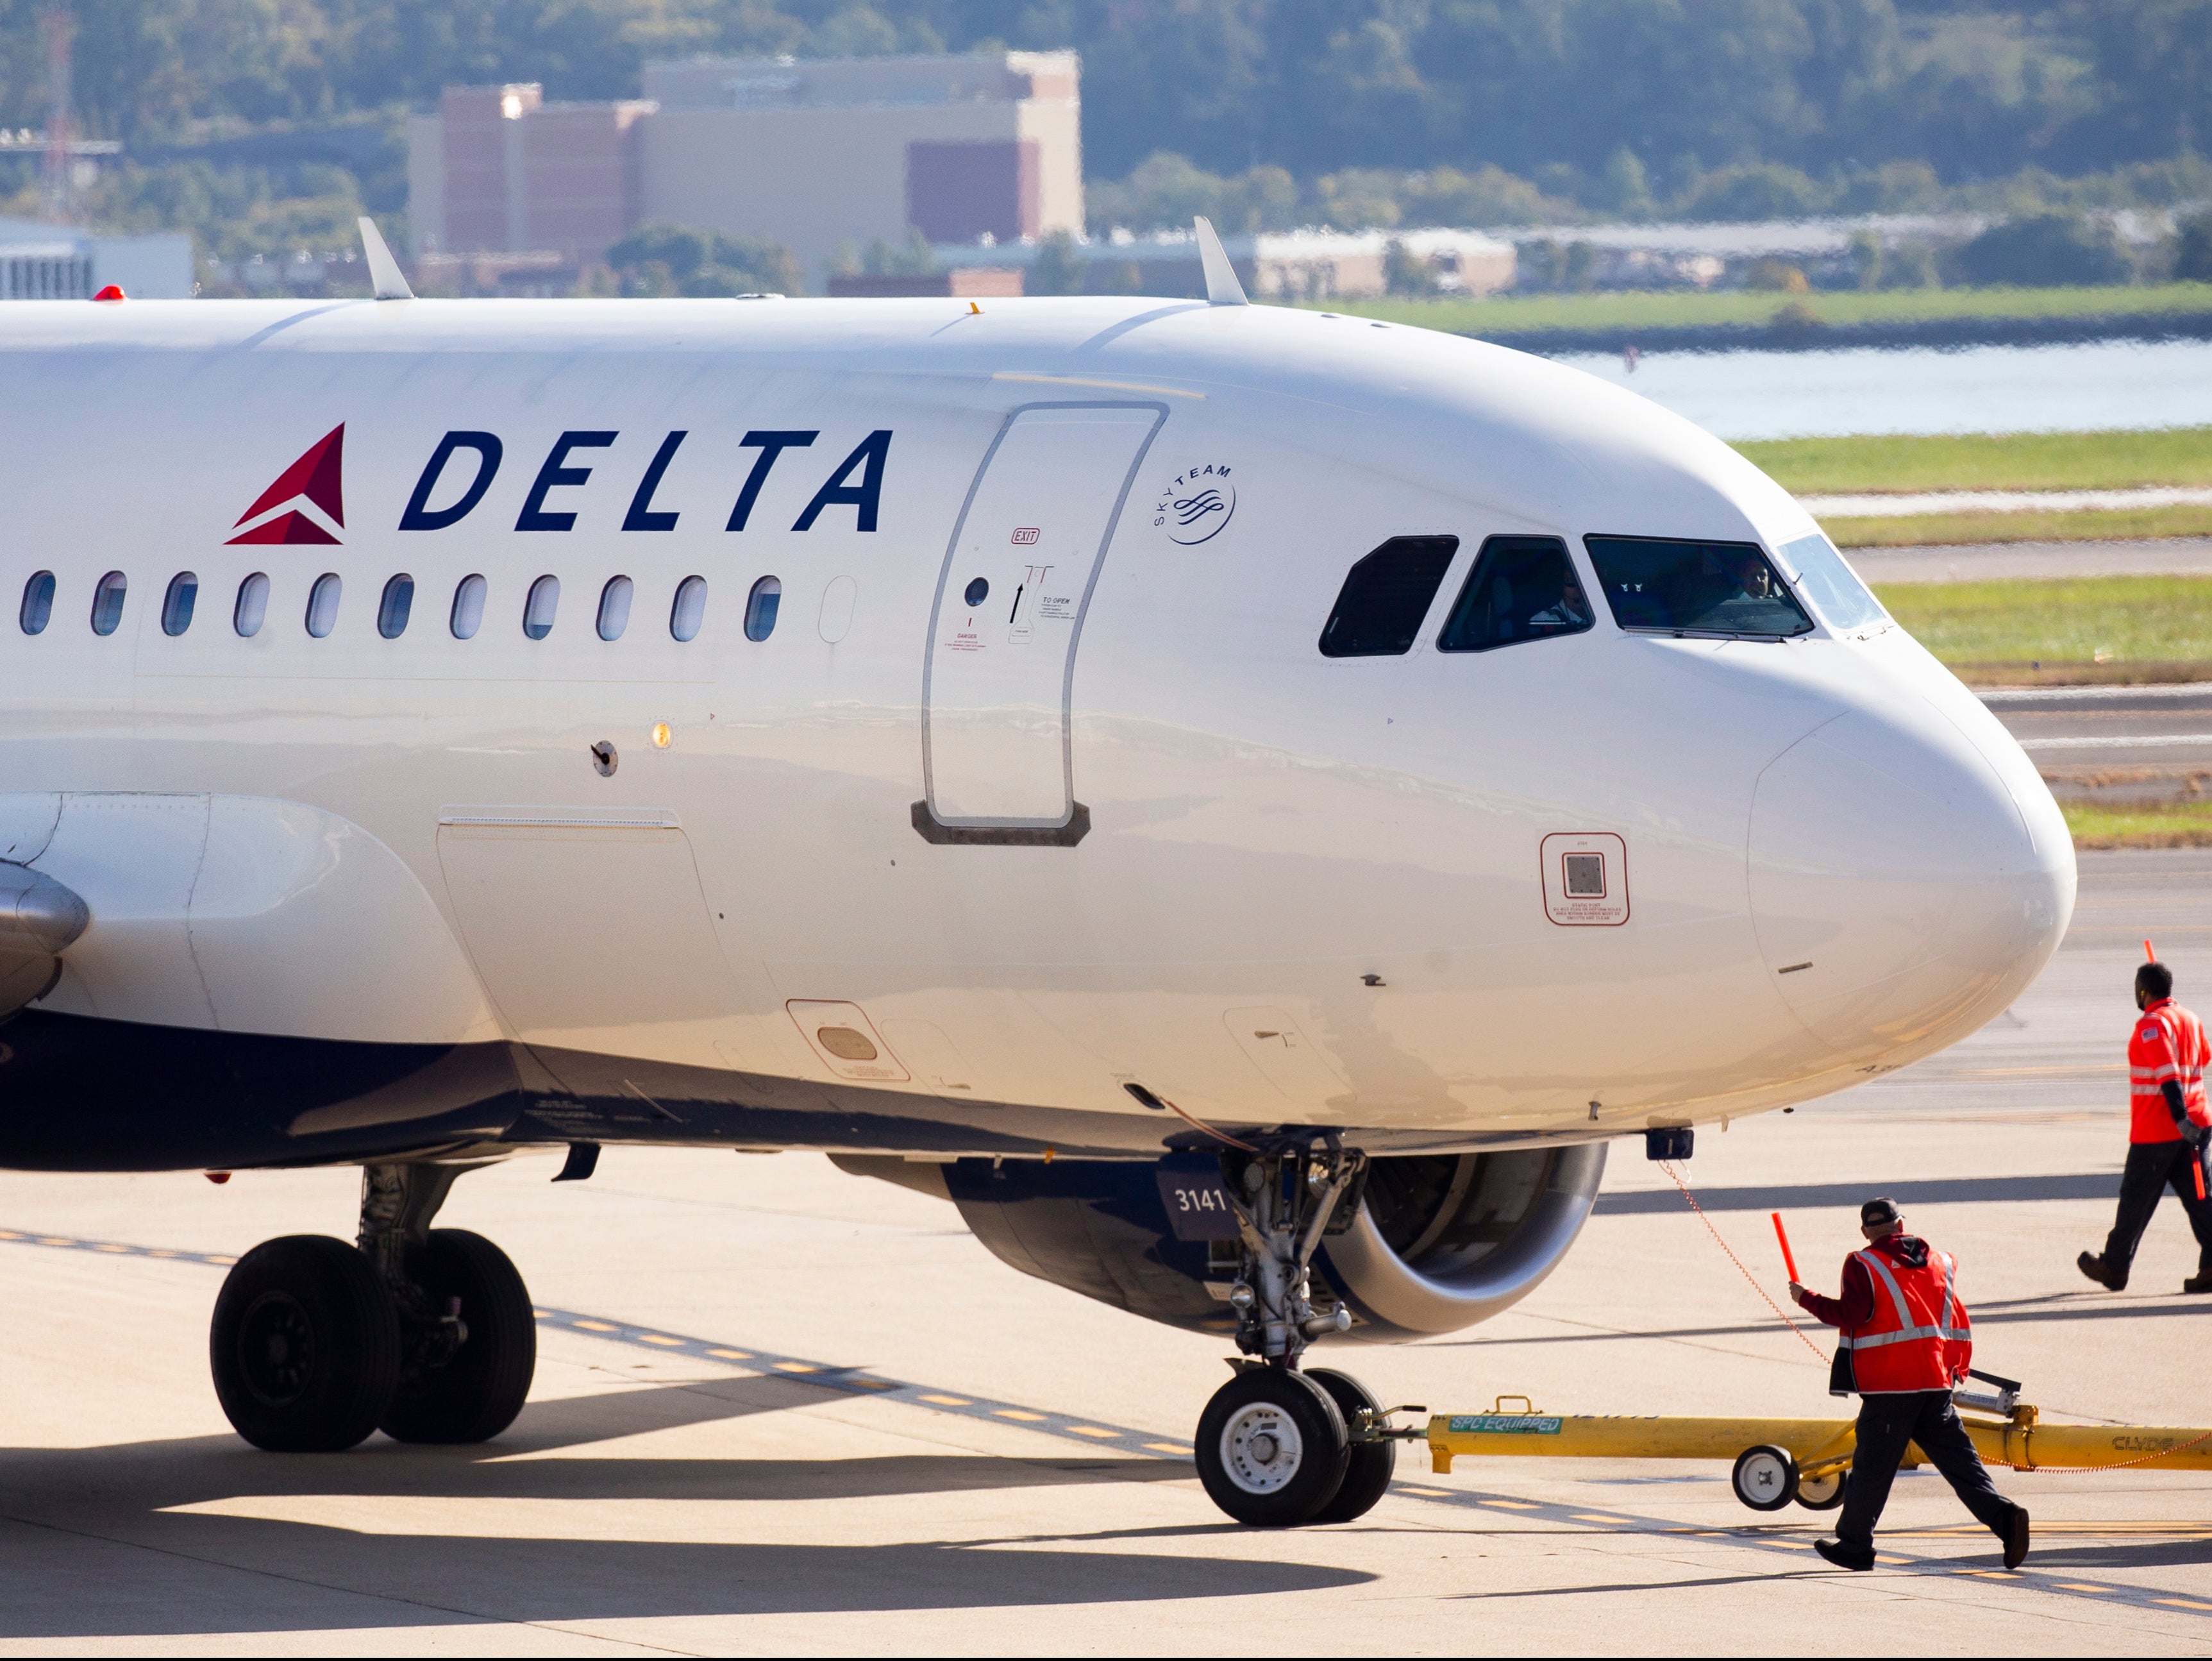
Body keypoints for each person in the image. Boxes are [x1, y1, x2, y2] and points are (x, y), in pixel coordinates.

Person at [1789, 1197, 2029, 1572]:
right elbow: (1955, 1319)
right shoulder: (1940, 1261)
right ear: (1902, 1225)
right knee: (1961, 1465)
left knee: (1872, 1468)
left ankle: (1854, 1545)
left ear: (1866, 1231)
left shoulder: (1863, 1262)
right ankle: (2005, 1518)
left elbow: (1853, 1314)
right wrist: (1954, 1369)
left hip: (1891, 1386)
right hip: (1935, 1382)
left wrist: (1807, 1299)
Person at [2079, 959, 2212, 1293]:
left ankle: (2114, 1266)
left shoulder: (2151, 1024)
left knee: (2136, 1200)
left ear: (2142, 991)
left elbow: (2168, 1073)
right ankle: (2211, 1266)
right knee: (2201, 1199)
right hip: (2198, 1126)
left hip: (2160, 1130)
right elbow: (2204, 1058)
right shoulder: (2190, 1018)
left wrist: (2178, 1118)